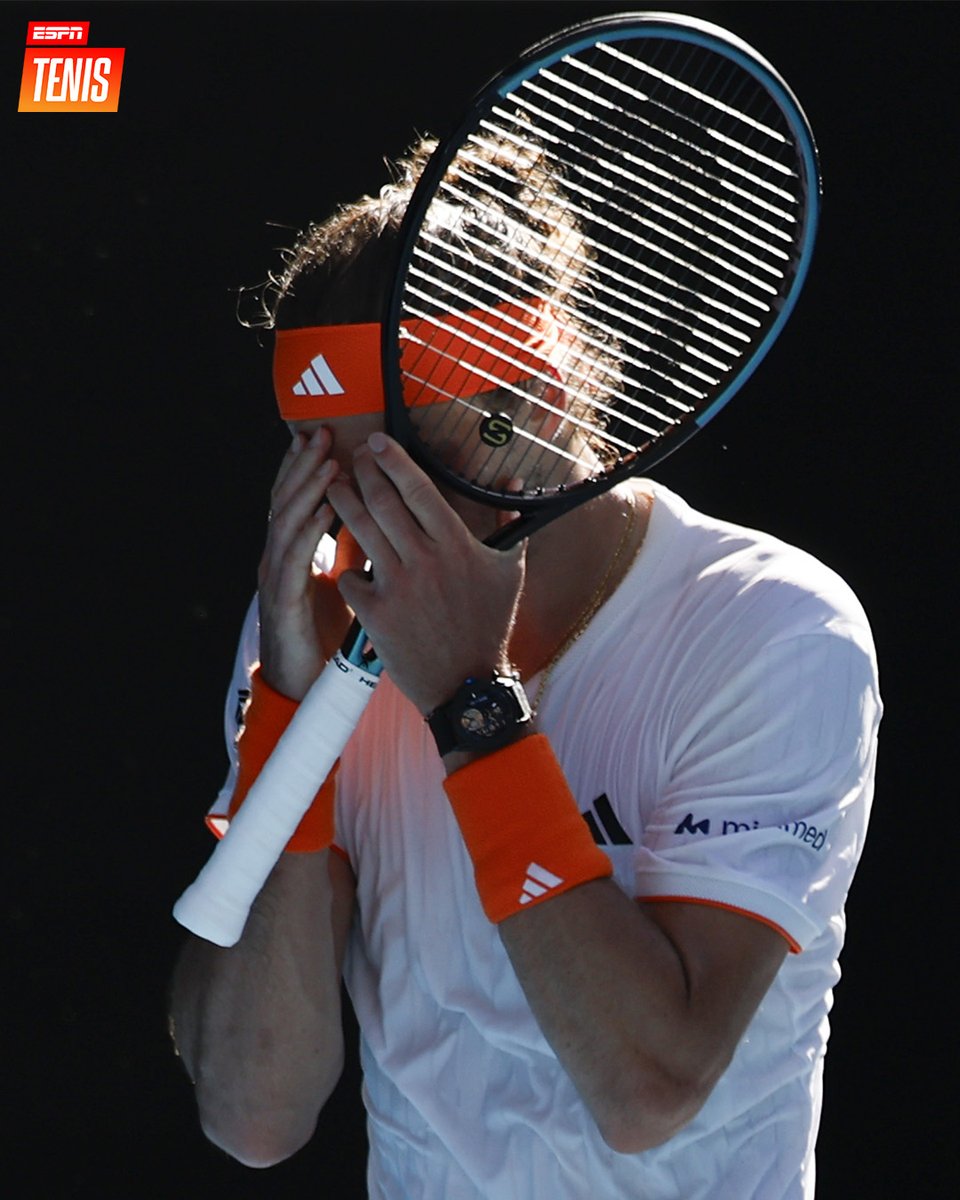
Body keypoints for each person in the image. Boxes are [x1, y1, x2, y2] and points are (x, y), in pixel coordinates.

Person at [169, 137, 881, 1199]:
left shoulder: (775, 627)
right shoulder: (319, 616)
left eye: (400, 470)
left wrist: (470, 698)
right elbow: (251, 1113)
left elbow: (647, 1091)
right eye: (326, 472)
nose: (359, 527)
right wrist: (285, 722)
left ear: (535, 410)